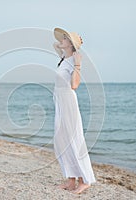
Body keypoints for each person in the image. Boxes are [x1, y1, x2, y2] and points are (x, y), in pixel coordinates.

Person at [52, 27, 96, 194]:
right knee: (61, 140)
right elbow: (54, 44)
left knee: (74, 139)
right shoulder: (64, 58)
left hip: (69, 102)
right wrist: (72, 42)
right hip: (60, 102)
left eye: (64, 39)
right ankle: (71, 180)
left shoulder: (74, 61)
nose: (61, 41)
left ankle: (85, 180)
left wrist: (78, 61)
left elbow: (74, 85)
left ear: (70, 43)